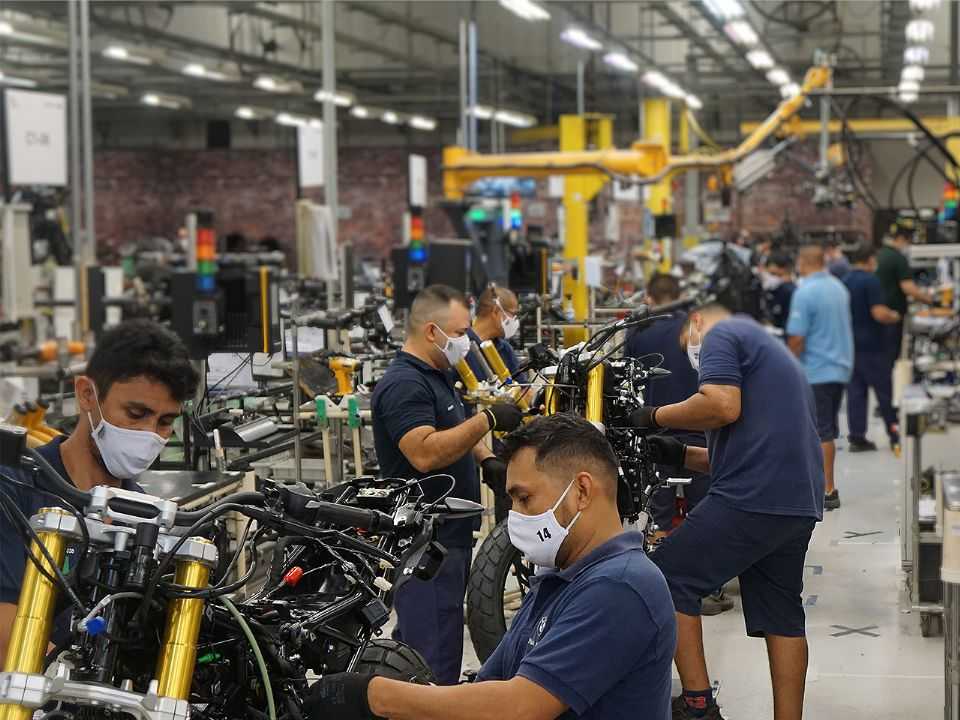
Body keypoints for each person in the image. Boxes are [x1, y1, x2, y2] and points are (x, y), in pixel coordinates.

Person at [305, 414, 677, 720]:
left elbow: (520, 706)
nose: (515, 515)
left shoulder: (622, 586)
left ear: (581, 491)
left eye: (524, 498)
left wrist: (376, 695)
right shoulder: (558, 579)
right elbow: (491, 683)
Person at [630, 303, 824, 720]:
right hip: (795, 500)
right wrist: (681, 454)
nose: (692, 354)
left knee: (667, 578)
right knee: (782, 615)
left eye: (686, 344)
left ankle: (698, 707)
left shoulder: (721, 334)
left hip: (753, 496)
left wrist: (653, 416)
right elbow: (754, 450)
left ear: (696, 322)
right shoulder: (773, 357)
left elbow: (720, 406)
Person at [0, 319, 199, 665]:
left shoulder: (146, 516)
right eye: (136, 413)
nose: (150, 434)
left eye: (165, 422)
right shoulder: (15, 487)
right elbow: (5, 634)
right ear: (87, 394)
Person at [370, 285, 523, 685]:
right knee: (431, 653)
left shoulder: (437, 375)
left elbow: (451, 427)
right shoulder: (405, 384)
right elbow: (423, 451)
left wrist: (486, 459)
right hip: (425, 542)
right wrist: (487, 421)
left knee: (430, 642)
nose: (467, 341)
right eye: (458, 332)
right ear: (431, 332)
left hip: (449, 535)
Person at [625, 274, 732, 616]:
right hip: (700, 429)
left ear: (649, 296)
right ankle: (710, 587)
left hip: (657, 429)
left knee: (659, 510)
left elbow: (626, 376)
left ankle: (660, 585)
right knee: (706, 508)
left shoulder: (640, 331)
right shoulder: (696, 329)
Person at [786, 244, 853, 511]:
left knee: (820, 431)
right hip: (839, 368)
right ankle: (820, 484)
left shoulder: (805, 292)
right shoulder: (838, 287)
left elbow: (797, 337)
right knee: (825, 428)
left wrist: (786, 366)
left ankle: (827, 489)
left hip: (816, 371)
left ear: (803, 262)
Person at [843, 245, 902, 452]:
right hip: (874, 347)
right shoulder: (871, 281)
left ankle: (857, 438)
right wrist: (894, 316)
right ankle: (894, 434)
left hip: (851, 346)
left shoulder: (845, 281)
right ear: (869, 260)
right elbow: (878, 313)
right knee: (885, 393)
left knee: (856, 393)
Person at [875, 224, 933, 374]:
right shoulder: (898, 258)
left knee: (881, 354)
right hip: (893, 315)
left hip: (879, 314)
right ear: (900, 239)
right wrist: (930, 300)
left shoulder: (880, 255)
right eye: (908, 241)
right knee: (890, 354)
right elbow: (908, 287)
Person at [466, 284, 522, 378]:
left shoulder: (505, 349)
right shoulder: (462, 347)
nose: (515, 320)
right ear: (496, 311)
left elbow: (523, 389)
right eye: (513, 314)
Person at [763, 251, 797, 334]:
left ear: (784, 270)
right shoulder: (772, 289)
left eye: (773, 274)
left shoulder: (791, 292)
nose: (769, 277)